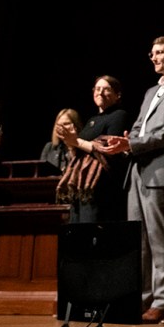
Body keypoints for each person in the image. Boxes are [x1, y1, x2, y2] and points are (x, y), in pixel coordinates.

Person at [96, 37, 164, 323]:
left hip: (161, 170)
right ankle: (141, 299)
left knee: (158, 236)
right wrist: (125, 141)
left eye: (160, 53)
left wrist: (133, 145)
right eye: (152, 53)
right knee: (138, 239)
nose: (153, 58)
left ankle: (163, 300)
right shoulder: (152, 89)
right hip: (138, 169)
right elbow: (139, 127)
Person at [51, 77, 131, 223]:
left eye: (106, 89)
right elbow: (81, 151)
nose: (100, 93)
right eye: (97, 89)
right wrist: (72, 143)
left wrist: (76, 141)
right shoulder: (92, 120)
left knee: (93, 231)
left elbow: (109, 148)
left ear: (117, 95)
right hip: (82, 186)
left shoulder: (119, 115)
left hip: (102, 187)